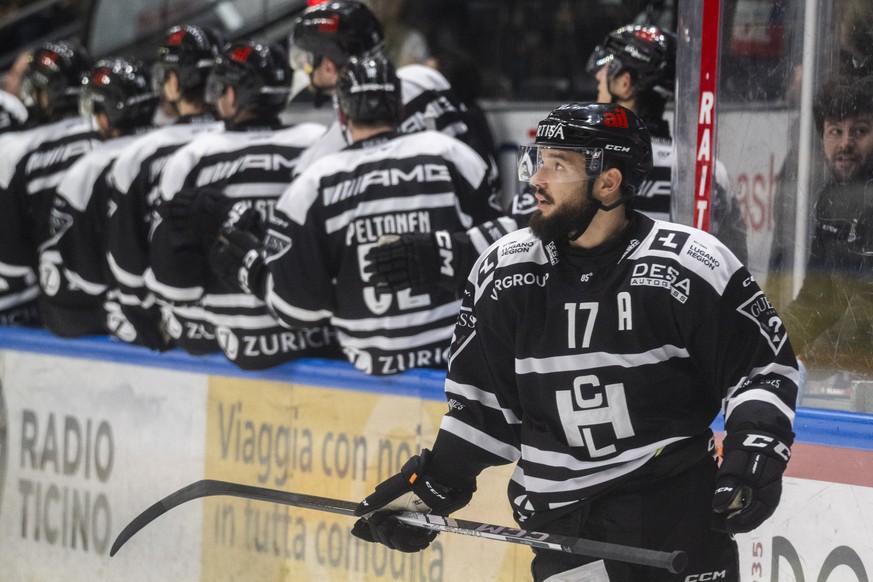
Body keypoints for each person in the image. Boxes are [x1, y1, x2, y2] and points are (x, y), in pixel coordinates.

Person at [350, 103, 799, 581]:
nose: (536, 179)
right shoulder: (505, 271)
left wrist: (755, 455)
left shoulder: (690, 265)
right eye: (538, 160)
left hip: (675, 517)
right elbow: (482, 411)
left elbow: (761, 368)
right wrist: (434, 485)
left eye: (557, 165)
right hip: (564, 531)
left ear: (608, 183)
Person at [365, 24, 748, 297]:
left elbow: (515, 239)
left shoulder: (578, 162)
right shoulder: (709, 169)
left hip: (586, 324)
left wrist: (434, 254)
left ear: (624, 83)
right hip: (680, 330)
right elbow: (734, 260)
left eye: (604, 77)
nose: (598, 84)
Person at [207, 55, 503, 375]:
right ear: (400, 109)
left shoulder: (313, 183)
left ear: (342, 115)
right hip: (458, 365)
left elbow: (298, 309)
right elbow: (500, 254)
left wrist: (255, 274)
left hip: (368, 378)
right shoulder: (453, 155)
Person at [146, 39, 338, 369]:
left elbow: (174, 284)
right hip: (318, 339)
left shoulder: (192, 159)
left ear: (232, 96)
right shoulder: (319, 143)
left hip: (232, 344)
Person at [287, 0, 499, 188]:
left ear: (328, 67)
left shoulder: (324, 154)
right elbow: (483, 165)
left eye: (307, 58)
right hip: (476, 206)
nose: (304, 65)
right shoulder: (424, 78)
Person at [106, 24, 224, 350]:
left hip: (178, 325)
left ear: (173, 82)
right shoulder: (242, 146)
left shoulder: (140, 155)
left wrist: (147, 327)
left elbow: (127, 262)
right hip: (243, 317)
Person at [39, 56, 159, 337]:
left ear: (108, 112)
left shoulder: (87, 169)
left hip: (114, 313)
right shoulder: (172, 150)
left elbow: (85, 274)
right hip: (171, 303)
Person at [776, 76, 873, 374]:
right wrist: (768, 346)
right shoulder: (831, 199)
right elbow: (818, 298)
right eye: (835, 131)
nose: (845, 143)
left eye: (859, 131)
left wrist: (817, 360)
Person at [0, 40, 96, 327]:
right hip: (115, 295)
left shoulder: (17, 151)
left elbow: (13, 258)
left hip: (57, 305)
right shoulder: (110, 138)